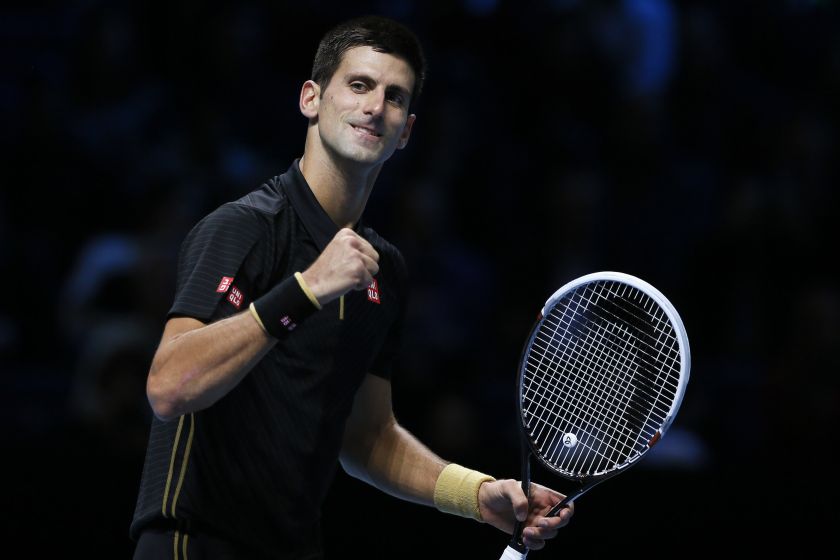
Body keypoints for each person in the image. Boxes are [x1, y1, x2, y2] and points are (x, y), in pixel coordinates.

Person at [130, 15, 573, 559]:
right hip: (193, 543)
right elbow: (169, 386)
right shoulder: (246, 226)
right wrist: (306, 289)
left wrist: (477, 496)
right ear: (311, 99)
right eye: (359, 85)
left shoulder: (383, 270)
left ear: (406, 131)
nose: (374, 107)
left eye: (394, 97)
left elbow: (367, 437)